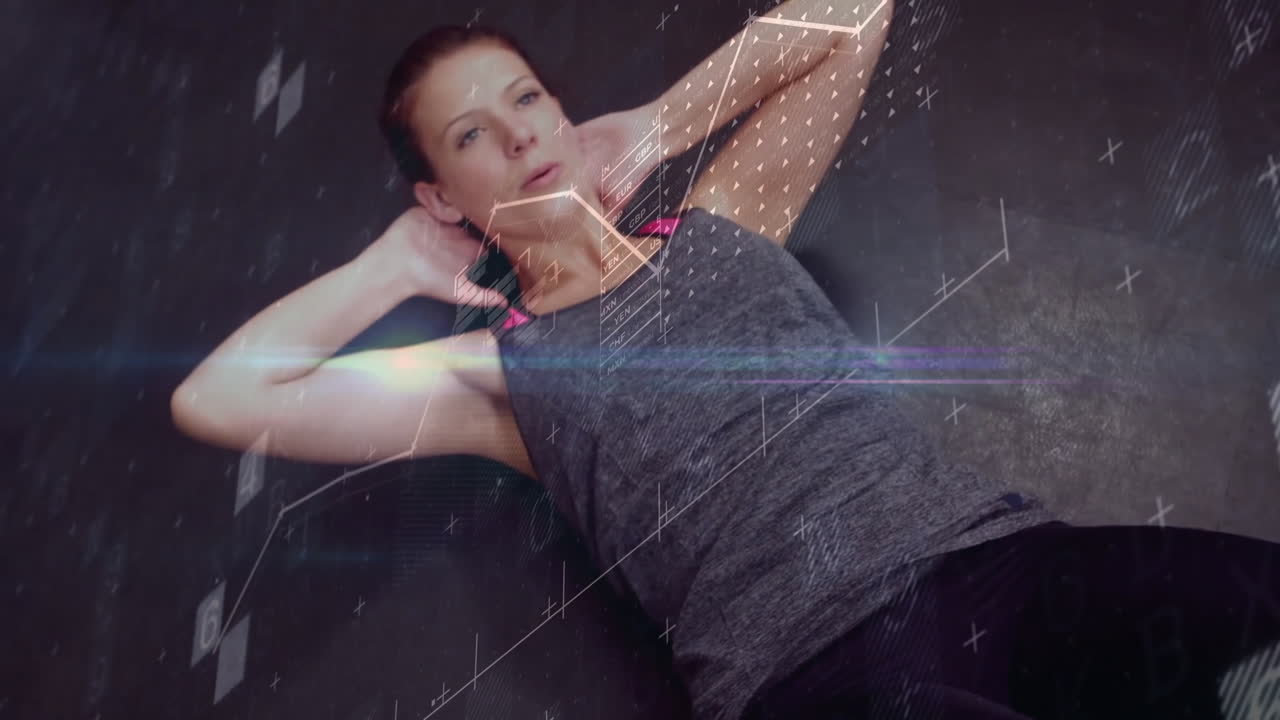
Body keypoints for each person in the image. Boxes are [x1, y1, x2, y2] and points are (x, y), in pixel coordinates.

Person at [171, 3, 1280, 719]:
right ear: (438, 193)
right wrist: (389, 265)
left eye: (524, 98)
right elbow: (218, 398)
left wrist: (659, 121)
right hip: (816, 675)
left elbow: (852, 15)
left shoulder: (722, 221)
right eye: (467, 137)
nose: (516, 135)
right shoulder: (494, 379)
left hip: (998, 566)